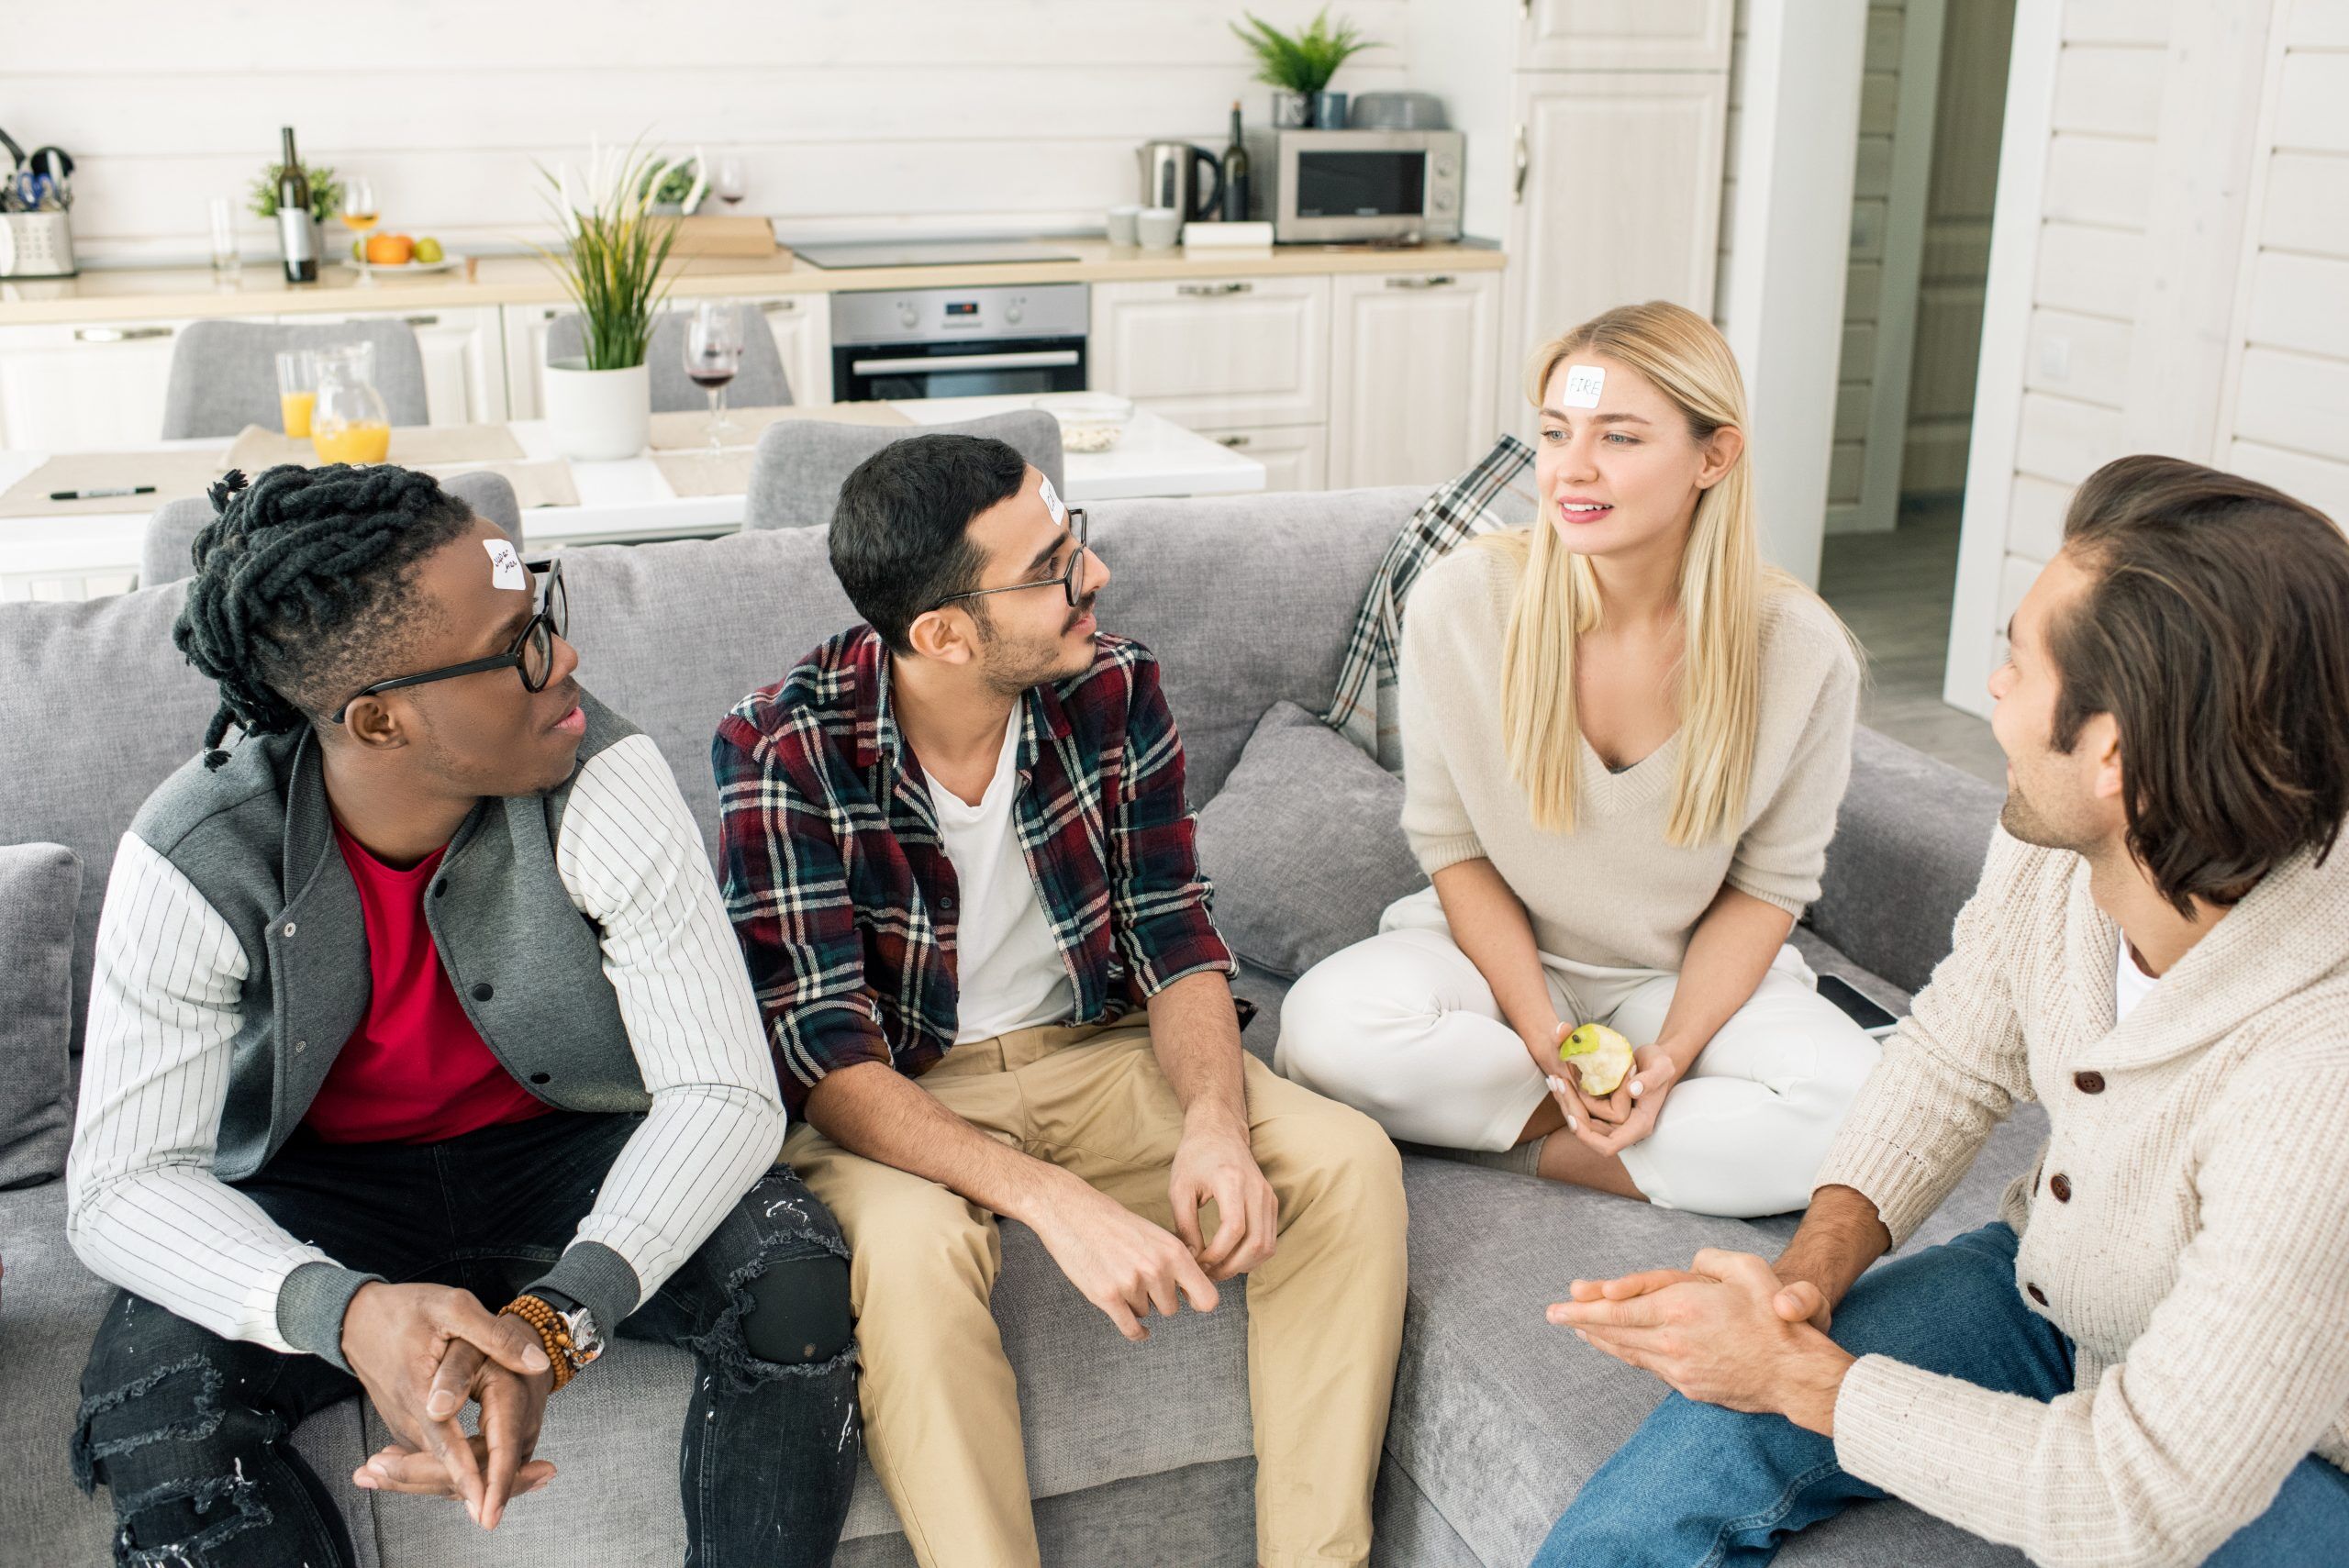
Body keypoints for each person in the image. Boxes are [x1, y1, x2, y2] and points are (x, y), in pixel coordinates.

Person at [1538, 454, 2349, 1567]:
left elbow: (2137, 1500)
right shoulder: (2066, 838)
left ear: (2114, 757)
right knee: (1689, 1459)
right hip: (2056, 1294)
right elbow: (1957, 1053)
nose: (1996, 689)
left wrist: (1802, 1377)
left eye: (2018, 660)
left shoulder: (2318, 1070)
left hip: (2303, 1444)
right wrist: (1802, 1282)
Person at [66, 464, 858, 1567]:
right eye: (517, 647)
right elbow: (119, 1183)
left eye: (547, 616)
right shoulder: (197, 850)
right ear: (378, 718)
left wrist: (551, 1324)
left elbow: (722, 1092)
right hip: (316, 1187)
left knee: (793, 1271)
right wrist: (341, 1312)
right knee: (155, 1408)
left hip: (563, 1149)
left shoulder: (600, 773)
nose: (565, 659)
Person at [713, 434, 1409, 1568]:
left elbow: (1175, 931)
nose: (1093, 577)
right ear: (941, 633)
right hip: (898, 1092)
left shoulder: (1112, 682)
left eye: (1072, 537)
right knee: (911, 1255)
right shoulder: (782, 743)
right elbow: (829, 1055)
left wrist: (1216, 1126)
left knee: (1341, 1160)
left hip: (1099, 1050)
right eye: (1048, 568)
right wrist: (1055, 1203)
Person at [1275, 300, 1876, 1218]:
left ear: (1713, 457)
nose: (1571, 469)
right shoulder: (1460, 602)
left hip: (1678, 976)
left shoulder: (1802, 651)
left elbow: (1767, 888)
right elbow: (1453, 846)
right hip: (1491, 961)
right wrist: (1548, 1040)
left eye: (1620, 437)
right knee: (1325, 1027)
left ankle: (1512, 1143)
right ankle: (1611, 1144)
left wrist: (1671, 1054)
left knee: (1861, 1110)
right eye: (1556, 431)